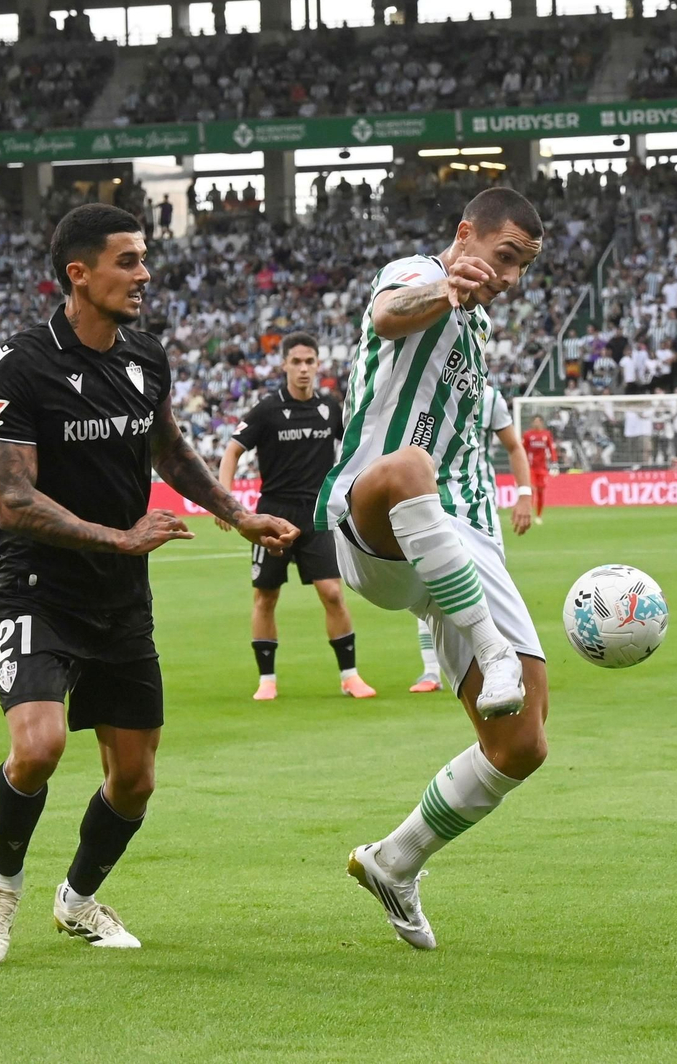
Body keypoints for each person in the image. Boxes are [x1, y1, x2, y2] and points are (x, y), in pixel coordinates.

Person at [0, 204, 298, 964]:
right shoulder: (22, 365)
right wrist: (121, 537)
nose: (145, 273)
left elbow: (170, 450)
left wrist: (236, 514)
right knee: (39, 746)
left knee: (136, 781)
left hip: (119, 597)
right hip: (37, 587)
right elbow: (12, 499)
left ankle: (77, 899)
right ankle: (1, 886)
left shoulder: (145, 355)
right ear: (79, 274)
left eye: (144, 258)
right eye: (128, 260)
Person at [313, 186, 548, 950]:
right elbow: (388, 313)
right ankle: (490, 648)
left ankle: (396, 861)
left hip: (456, 538)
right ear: (465, 234)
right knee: (410, 463)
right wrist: (444, 288)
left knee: (522, 743)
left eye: (523, 267)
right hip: (372, 511)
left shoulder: (479, 338)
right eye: (504, 256)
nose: (510, 276)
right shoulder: (414, 273)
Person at [216, 332, 374, 701]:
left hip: (317, 514)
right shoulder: (268, 409)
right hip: (273, 515)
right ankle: (267, 680)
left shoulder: (330, 408)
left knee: (333, 593)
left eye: (310, 362)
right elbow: (231, 453)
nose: (304, 369)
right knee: (266, 596)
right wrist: (226, 502)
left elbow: (355, 451)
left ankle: (350, 676)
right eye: (296, 362)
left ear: (318, 364)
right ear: (284, 364)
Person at [409, 383, 535, 694]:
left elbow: (514, 446)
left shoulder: (489, 397)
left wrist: (524, 495)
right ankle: (430, 672)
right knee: (428, 584)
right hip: (429, 503)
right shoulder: (422, 387)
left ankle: (504, 666)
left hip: (478, 508)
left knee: (490, 589)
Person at [521, 415, 556, 523]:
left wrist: (554, 463)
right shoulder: (527, 435)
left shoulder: (546, 435)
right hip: (530, 468)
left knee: (541, 491)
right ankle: (529, 514)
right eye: (534, 421)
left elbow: (551, 449)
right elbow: (522, 450)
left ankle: (539, 515)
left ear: (541, 423)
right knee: (531, 489)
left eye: (538, 421)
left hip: (542, 468)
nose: (536, 423)